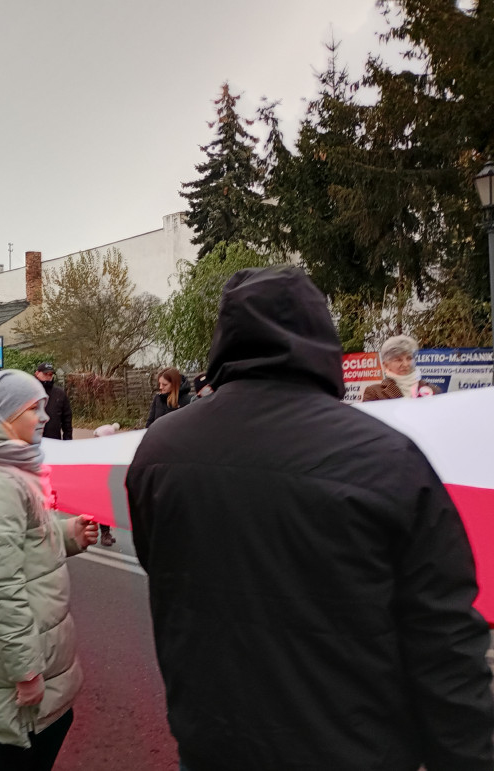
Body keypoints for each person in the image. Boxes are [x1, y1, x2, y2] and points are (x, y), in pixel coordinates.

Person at [125, 267, 494, 770]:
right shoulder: (383, 456)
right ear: (320, 335)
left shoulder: (161, 447)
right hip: (350, 744)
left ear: (224, 339)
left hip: (213, 737)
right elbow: (443, 638)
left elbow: (162, 567)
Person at [0, 369, 98, 771]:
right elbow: (0, 587)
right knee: (28, 747)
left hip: (30, 639)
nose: (45, 417)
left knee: (36, 739)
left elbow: (20, 546)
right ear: (7, 415)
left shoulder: (0, 467)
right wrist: (26, 670)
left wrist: (68, 534)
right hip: (23, 648)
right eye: (35, 408)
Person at [362, 334, 441, 400]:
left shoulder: (433, 389)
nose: (405, 364)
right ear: (386, 365)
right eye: (398, 360)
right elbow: (366, 419)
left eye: (409, 358)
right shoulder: (374, 393)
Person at [34, 363, 71, 440]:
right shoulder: (29, 391)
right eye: (45, 374)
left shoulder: (59, 394)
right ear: (37, 373)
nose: (48, 377)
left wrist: (67, 440)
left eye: (50, 375)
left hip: (54, 440)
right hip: (32, 441)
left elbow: (67, 419)